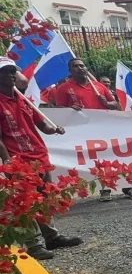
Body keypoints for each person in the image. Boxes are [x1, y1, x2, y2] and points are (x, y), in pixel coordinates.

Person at [0, 58, 83, 260]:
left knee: (45, 199)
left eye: (13, 71)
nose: (12, 74)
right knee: (24, 203)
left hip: (39, 156)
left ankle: (51, 237)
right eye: (6, 71)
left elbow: (41, 125)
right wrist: (8, 162)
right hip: (18, 161)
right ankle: (33, 244)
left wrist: (54, 129)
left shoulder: (23, 99)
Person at [55, 58, 132, 202]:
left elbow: (116, 105)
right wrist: (69, 109)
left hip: (106, 129)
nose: (80, 68)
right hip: (84, 132)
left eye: (82, 66)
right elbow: (58, 110)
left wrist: (107, 103)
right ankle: (105, 189)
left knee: (117, 157)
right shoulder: (63, 88)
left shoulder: (99, 86)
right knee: (98, 160)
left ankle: (128, 187)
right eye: (76, 66)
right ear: (70, 71)